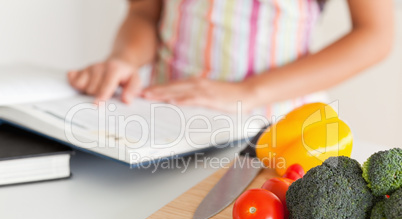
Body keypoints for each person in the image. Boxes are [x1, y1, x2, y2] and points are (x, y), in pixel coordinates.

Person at [67, 0, 393, 116]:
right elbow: (144, 12)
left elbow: (376, 34)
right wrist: (124, 58)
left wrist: (247, 92)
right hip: (169, 121)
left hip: (280, 126)